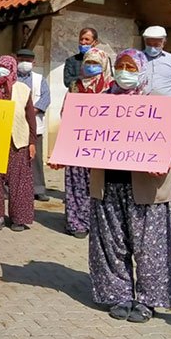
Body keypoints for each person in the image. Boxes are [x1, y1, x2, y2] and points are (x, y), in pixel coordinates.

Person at [88, 49, 171, 323]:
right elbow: (85, 137)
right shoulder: (101, 101)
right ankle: (119, 294)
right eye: (120, 66)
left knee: (149, 247)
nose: (125, 71)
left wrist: (165, 161)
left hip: (147, 186)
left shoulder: (159, 101)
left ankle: (149, 300)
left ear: (141, 69)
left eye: (130, 66)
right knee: (112, 243)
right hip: (109, 183)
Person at [0, 56, 36, 232]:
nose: (0, 70)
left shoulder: (22, 89)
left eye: (5, 67)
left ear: (12, 70)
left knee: (19, 182)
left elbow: (30, 118)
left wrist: (32, 142)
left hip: (17, 142)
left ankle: (19, 218)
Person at [63, 48, 112, 238]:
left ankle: (98, 222)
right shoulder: (75, 85)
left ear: (104, 65)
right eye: (89, 63)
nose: (92, 67)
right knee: (76, 182)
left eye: (96, 64)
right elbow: (66, 111)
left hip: (101, 144)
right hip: (77, 141)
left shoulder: (109, 87)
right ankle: (76, 223)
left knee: (98, 184)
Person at [142, 26, 171, 213]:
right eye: (150, 43)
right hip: (144, 112)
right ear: (145, 42)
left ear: (164, 42)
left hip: (167, 112)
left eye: (157, 43)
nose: (153, 46)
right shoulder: (139, 58)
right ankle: (151, 192)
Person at [15, 48, 50, 202]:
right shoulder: (12, 78)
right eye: (21, 60)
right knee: (14, 157)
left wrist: (31, 111)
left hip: (34, 122)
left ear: (33, 62)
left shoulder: (39, 78)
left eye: (28, 61)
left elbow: (46, 97)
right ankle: (10, 187)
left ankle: (38, 188)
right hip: (14, 124)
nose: (24, 63)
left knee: (35, 157)